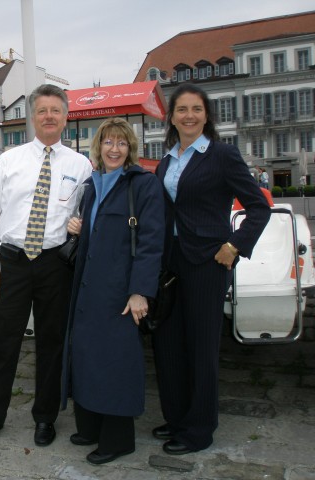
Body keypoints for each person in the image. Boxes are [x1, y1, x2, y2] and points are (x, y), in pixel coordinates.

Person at [0, 84, 92, 448]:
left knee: (52, 344)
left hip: (56, 264)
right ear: (33, 117)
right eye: (43, 111)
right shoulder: (9, 161)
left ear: (66, 116)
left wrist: (82, 225)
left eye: (56, 110)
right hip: (12, 264)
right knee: (2, 344)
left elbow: (88, 212)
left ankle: (45, 417)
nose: (49, 116)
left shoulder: (80, 165)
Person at [152, 83, 270, 455]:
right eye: (182, 109)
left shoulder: (222, 155)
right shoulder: (166, 160)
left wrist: (235, 246)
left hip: (206, 264)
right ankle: (176, 418)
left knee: (201, 349)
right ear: (171, 117)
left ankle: (199, 430)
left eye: (196, 109)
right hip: (169, 262)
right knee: (168, 346)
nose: (189, 115)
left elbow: (258, 207)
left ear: (206, 116)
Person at [60, 118, 165, 465]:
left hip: (121, 291)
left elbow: (151, 243)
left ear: (130, 148)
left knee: (117, 362)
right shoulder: (92, 185)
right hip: (89, 289)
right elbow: (94, 235)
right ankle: (90, 427)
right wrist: (78, 227)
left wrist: (140, 292)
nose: (114, 149)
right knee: (88, 357)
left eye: (121, 143)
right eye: (108, 142)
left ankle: (118, 440)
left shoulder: (142, 185)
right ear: (99, 147)